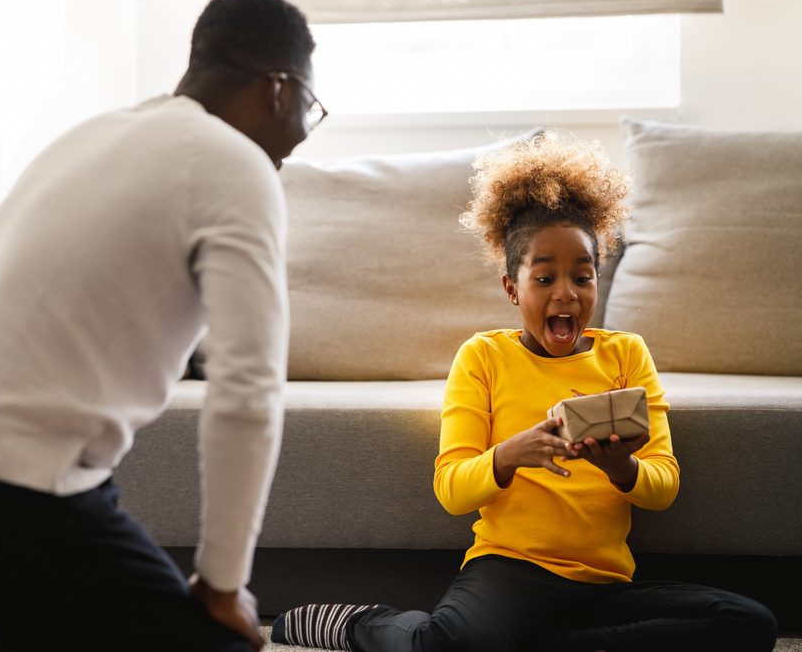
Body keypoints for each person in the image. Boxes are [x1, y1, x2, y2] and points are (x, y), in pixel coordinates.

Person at [0, 0, 325, 652]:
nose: (299, 138)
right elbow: (249, 393)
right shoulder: (237, 165)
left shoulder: (94, 136)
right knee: (215, 645)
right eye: (312, 111)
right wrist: (223, 588)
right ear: (279, 91)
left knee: (90, 623)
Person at [271, 133, 778, 652]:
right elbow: (452, 489)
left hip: (602, 584)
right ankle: (360, 625)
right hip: (511, 571)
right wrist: (514, 454)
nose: (566, 292)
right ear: (512, 287)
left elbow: (664, 485)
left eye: (583, 276)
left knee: (749, 622)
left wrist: (619, 467)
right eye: (544, 278)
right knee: (446, 645)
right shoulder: (483, 357)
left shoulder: (626, 354)